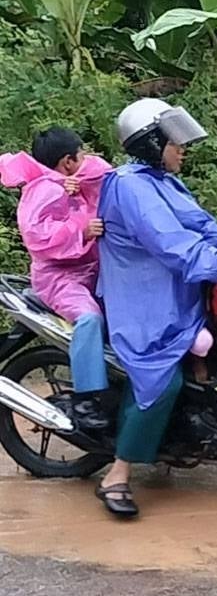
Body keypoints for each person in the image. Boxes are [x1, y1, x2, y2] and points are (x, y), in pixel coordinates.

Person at [95, 98, 217, 517]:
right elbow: (169, 242)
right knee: (161, 381)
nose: (182, 148)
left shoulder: (163, 181)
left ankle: (179, 440)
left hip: (176, 297)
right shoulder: (129, 186)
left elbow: (200, 225)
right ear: (150, 143)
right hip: (144, 304)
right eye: (174, 141)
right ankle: (117, 474)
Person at [0, 128, 113, 429]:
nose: (87, 157)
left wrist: (74, 181)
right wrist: (82, 231)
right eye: (81, 153)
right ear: (67, 161)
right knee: (90, 319)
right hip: (60, 279)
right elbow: (37, 236)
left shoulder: (68, 181)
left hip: (92, 272)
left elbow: (105, 173)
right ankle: (86, 399)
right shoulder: (42, 191)